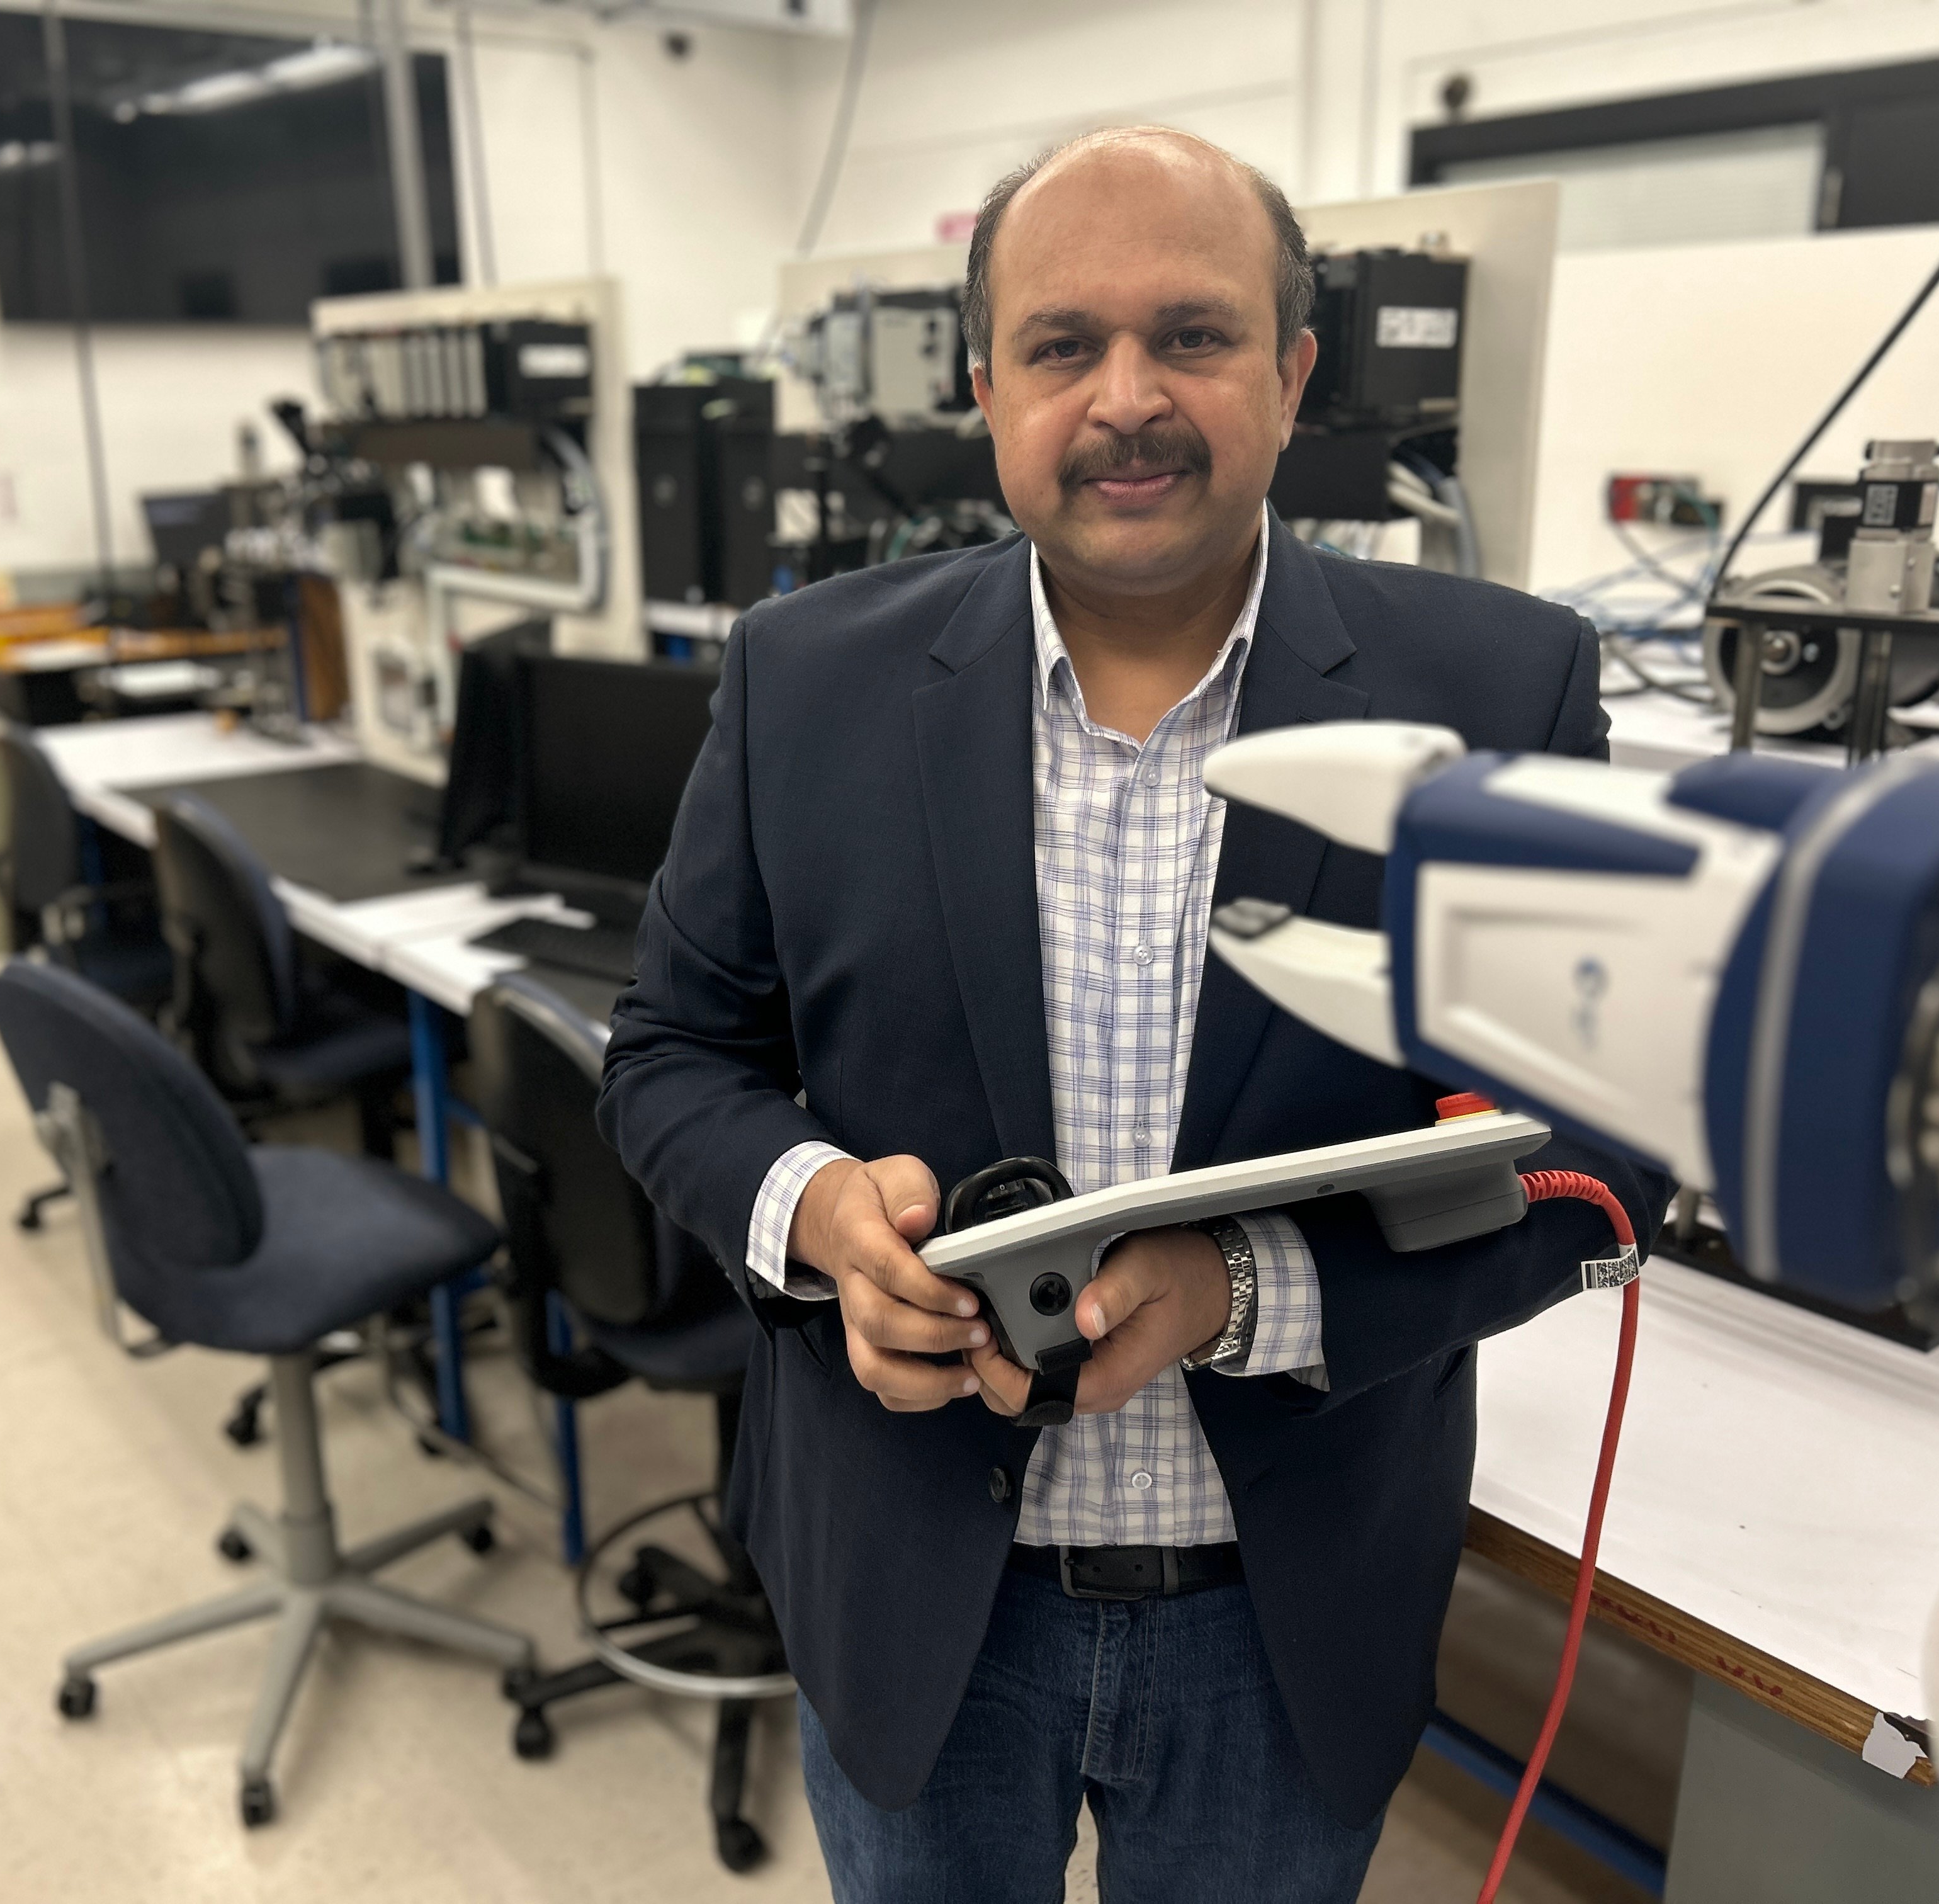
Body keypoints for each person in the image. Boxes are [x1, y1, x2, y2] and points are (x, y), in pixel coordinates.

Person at [597, 127, 1670, 1902]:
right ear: (982, 383)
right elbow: (671, 1056)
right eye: (1062, 344)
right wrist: (818, 1218)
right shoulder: (805, 685)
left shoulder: (1498, 692)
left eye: (1193, 335)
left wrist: (1250, 1296)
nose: (1127, 399)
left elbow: (1615, 1160)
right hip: (921, 1608)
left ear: (1295, 370)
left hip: (1284, 1626)